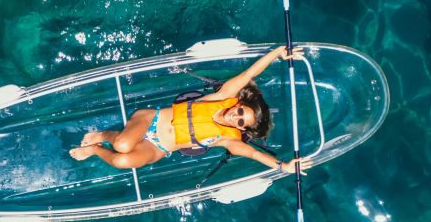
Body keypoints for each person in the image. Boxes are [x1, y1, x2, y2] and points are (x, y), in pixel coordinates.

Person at [69, 45, 314, 173]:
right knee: (122, 145)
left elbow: (254, 154)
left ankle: (96, 151)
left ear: (242, 129)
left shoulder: (227, 139)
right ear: (239, 104)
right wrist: (277, 54)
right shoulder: (222, 97)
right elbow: (249, 74)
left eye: (241, 123)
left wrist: (284, 166)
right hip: (150, 120)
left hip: (159, 148)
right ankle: (103, 136)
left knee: (123, 161)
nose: (235, 118)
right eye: (241, 112)